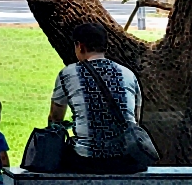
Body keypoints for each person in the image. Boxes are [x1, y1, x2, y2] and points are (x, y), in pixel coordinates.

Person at [46, 21, 144, 175]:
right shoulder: (128, 74)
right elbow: (135, 120)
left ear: (80, 46)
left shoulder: (67, 74)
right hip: (126, 159)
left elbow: (55, 118)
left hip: (86, 160)